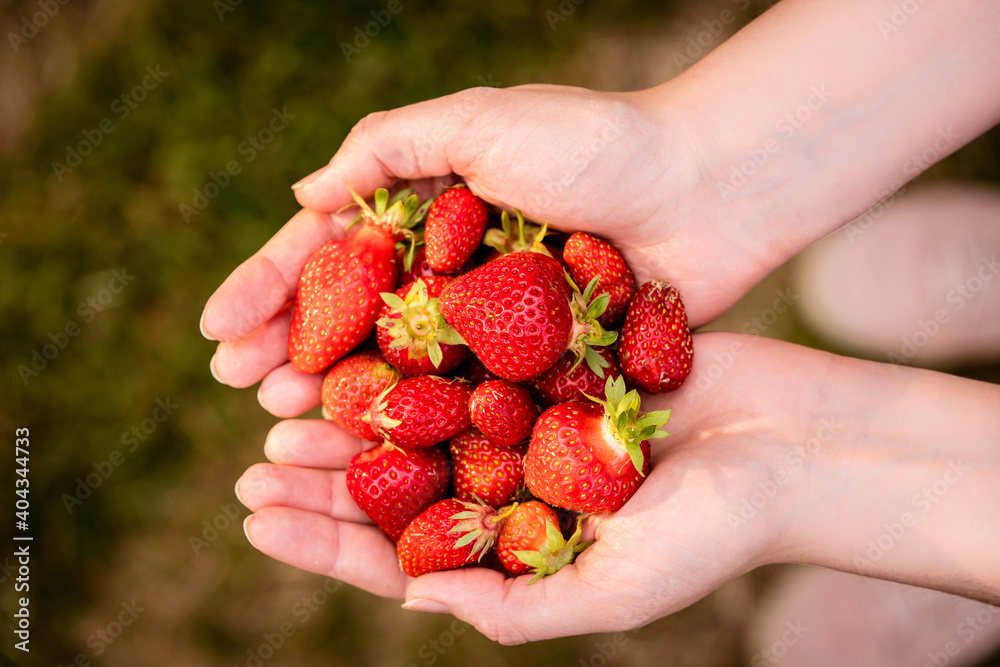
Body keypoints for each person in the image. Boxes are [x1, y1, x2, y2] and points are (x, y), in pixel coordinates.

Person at [201, 0, 1000, 651]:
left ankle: (928, 527)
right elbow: (490, 381)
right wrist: (705, 164)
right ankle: (931, 483)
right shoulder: (499, 330)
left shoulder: (502, 332)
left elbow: (494, 380)